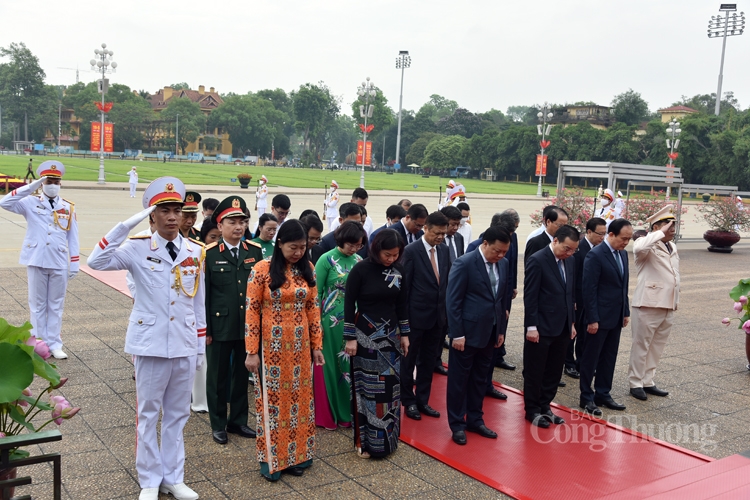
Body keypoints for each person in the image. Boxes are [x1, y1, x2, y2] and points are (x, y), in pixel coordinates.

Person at [87, 177, 206, 500]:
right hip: (150, 344)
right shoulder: (137, 248)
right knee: (148, 414)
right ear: (151, 216)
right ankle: (150, 480)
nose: (171, 217)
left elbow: (198, 303)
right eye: (163, 211)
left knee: (178, 415)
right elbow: (95, 261)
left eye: (176, 211)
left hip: (182, 343)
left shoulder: (195, 251)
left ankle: (173, 476)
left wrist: (198, 348)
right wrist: (128, 224)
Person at [244, 220, 324, 481]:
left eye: (303, 247)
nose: (299, 252)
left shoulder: (307, 269)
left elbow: (313, 309)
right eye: (293, 247)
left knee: (300, 404)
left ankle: (296, 456)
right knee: (273, 404)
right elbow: (252, 311)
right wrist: (251, 351)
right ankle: (271, 460)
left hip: (300, 350)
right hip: (271, 350)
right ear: (279, 244)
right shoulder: (262, 269)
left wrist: (317, 346)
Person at [0, 160, 79, 360]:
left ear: (60, 184)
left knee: (56, 304)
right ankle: (38, 343)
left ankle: (54, 343)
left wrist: (75, 261)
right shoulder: (30, 202)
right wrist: (32, 186)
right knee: (37, 304)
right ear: (42, 183)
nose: (52, 184)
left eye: (55, 181)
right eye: (48, 181)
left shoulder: (67, 207)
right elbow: (4, 202)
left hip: (59, 260)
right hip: (36, 258)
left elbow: (73, 236)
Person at [344, 229, 410, 458]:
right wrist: (350, 337)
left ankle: (388, 441)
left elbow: (402, 304)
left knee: (390, 391)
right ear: (376, 249)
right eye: (387, 255)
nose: (391, 259)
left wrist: (405, 334)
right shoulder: (361, 269)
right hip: (365, 337)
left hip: (391, 337)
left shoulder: (399, 271)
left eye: (395, 255)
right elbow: (348, 303)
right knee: (368, 391)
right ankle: (367, 442)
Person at [204, 196, 263, 445]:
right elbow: (204, 295)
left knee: (243, 375)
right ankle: (218, 423)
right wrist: (205, 328)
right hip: (219, 325)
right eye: (232, 222)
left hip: (247, 326)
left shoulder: (255, 251)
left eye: (243, 221)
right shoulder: (208, 254)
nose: (239, 227)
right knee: (217, 377)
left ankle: (238, 420)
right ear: (220, 225)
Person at [446, 226, 512, 446]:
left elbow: (501, 301)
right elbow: (453, 302)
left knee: (480, 379)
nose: (501, 255)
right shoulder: (464, 263)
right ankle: (457, 424)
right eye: (497, 251)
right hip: (466, 333)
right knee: (459, 380)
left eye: (505, 252)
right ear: (485, 244)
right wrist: (457, 334)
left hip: (490, 332)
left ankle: (475, 419)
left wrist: (500, 330)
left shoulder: (503, 264)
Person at [523, 225, 579, 428]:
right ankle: (532, 410)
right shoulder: (537, 260)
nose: (570, 253)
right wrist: (531, 327)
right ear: (555, 241)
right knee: (535, 370)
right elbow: (531, 297)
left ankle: (545, 405)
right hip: (541, 327)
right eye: (566, 248)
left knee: (554, 371)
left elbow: (570, 294)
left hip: (562, 326)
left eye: (573, 249)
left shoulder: (570, 261)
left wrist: (571, 322)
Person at [315, 221, 366, 429]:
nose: (354, 249)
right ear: (341, 240)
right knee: (331, 368)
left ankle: (347, 413)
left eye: (358, 245)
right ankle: (329, 413)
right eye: (350, 245)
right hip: (329, 322)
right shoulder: (326, 259)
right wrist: (316, 324)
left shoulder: (359, 260)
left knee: (348, 368)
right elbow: (316, 293)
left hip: (352, 321)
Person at [580, 218, 633, 416]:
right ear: (611, 235)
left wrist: (625, 311)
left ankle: (603, 392)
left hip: (616, 316)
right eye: (623, 238)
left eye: (629, 239)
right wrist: (592, 318)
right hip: (598, 317)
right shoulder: (596, 255)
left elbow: (623, 286)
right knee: (591, 358)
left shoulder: (623, 254)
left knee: (609, 357)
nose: (626, 242)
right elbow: (589, 289)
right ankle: (586, 396)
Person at [401, 212, 450, 420]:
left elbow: (445, 283)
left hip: (437, 318)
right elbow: (405, 288)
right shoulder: (411, 251)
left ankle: (422, 400)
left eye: (443, 234)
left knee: (428, 362)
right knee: (409, 361)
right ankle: (408, 401)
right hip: (415, 317)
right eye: (437, 233)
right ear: (426, 228)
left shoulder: (445, 251)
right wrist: (403, 321)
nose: (440, 238)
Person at [628, 206, 679, 401]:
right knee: (641, 345)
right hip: (648, 304)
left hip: (668, 304)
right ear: (657, 227)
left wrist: (676, 300)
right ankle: (635, 382)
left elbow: (675, 275)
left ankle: (648, 381)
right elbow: (639, 248)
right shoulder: (645, 243)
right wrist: (659, 233)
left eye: (673, 226)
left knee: (657, 346)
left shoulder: (672, 246)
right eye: (669, 226)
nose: (672, 230)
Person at [566, 217, 607, 379]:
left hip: (590, 300)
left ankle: (581, 363)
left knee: (585, 334)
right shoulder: (578, 250)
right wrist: (573, 300)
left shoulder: (601, 249)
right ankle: (568, 364)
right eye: (600, 234)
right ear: (589, 232)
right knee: (572, 334)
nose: (602, 238)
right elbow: (572, 277)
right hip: (577, 299)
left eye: (605, 234)